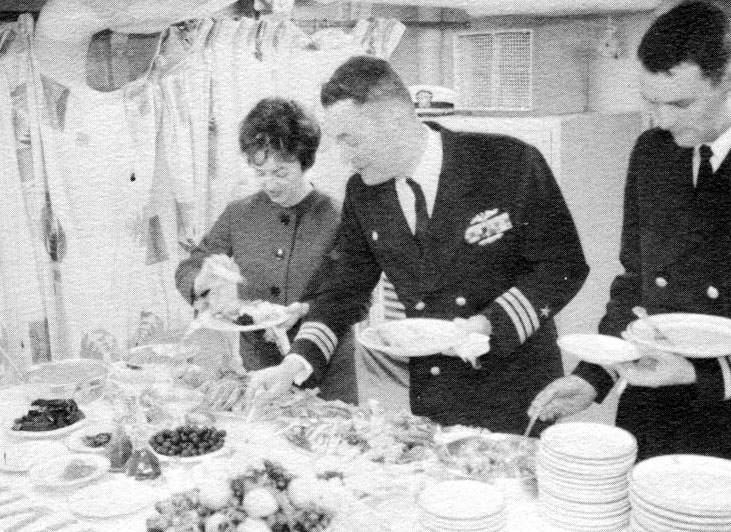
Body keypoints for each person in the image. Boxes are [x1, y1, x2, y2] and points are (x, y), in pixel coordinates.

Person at [245, 56, 589, 432]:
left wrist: (487, 325)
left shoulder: (507, 162)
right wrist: (293, 365)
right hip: (437, 393)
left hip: (518, 391)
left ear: (395, 119)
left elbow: (562, 266)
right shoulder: (364, 193)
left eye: (350, 139)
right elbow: (343, 289)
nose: (344, 157)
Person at [529, 0, 731, 460]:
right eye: (651, 102)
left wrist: (702, 374)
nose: (663, 120)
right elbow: (636, 282)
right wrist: (594, 375)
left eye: (681, 103)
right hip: (651, 411)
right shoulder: (653, 152)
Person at [175, 97, 357, 404]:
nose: (270, 184)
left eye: (281, 172)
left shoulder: (337, 217)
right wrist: (203, 278)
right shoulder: (239, 213)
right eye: (260, 173)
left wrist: (308, 310)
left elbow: (357, 298)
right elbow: (190, 268)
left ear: (305, 162)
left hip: (326, 373)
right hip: (259, 368)